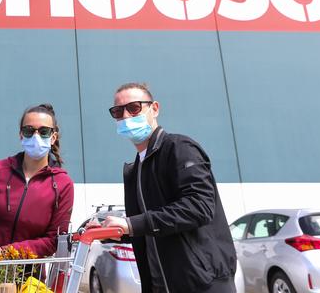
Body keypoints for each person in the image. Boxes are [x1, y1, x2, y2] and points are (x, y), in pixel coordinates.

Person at [101, 82, 237, 293]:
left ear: (154, 108)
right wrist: (114, 231)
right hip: (161, 285)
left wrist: (132, 224)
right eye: (118, 111)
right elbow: (153, 226)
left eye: (134, 108)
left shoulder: (179, 148)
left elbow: (199, 207)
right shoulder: (137, 169)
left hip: (202, 283)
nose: (126, 116)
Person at [0, 103, 74, 257]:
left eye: (44, 131)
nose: (36, 136)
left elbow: (54, 240)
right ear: (21, 135)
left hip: (29, 274)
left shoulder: (63, 184)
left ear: (53, 137)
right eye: (29, 130)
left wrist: (9, 252)